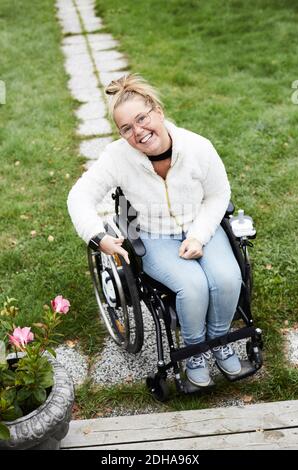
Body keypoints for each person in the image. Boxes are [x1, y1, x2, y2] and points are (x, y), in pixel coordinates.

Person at [67, 73, 242, 388]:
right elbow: (78, 196)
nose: (138, 132)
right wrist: (98, 236)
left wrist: (200, 235)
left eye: (142, 118)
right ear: (121, 134)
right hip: (154, 235)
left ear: (158, 111)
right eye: (127, 128)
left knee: (228, 277)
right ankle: (193, 352)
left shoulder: (197, 147)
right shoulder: (117, 158)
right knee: (193, 286)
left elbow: (218, 194)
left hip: (201, 224)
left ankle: (218, 339)